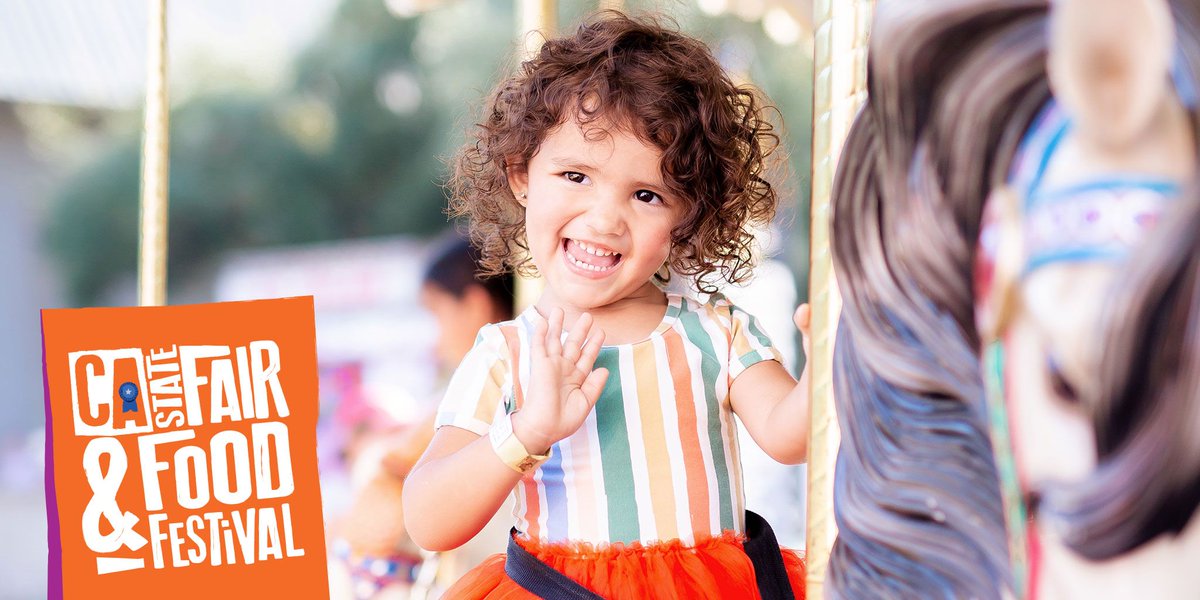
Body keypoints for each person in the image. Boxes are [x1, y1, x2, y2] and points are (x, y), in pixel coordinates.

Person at [402, 12, 810, 599]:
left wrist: (828, 364)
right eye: (575, 175)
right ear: (522, 175)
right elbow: (429, 520)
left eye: (647, 194)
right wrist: (527, 432)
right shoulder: (507, 354)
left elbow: (787, 436)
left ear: (687, 215)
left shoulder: (715, 332)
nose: (604, 219)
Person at [336, 236, 514, 599]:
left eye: (436, 312)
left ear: (475, 306)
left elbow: (371, 526)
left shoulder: (472, 407)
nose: (435, 341)